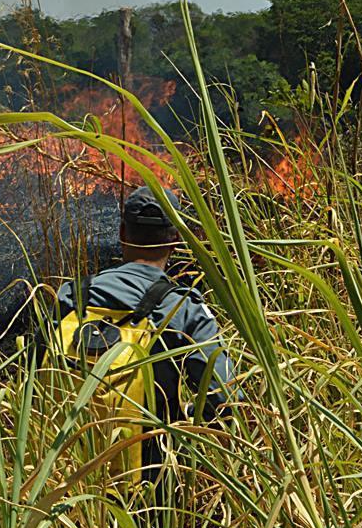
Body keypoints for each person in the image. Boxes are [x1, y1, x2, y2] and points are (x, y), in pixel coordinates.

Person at [55, 185, 238, 487]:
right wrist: (185, 418)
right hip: (153, 485)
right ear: (177, 238)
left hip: (69, 475)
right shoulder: (183, 308)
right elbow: (226, 401)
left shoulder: (72, 294)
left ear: (122, 231)